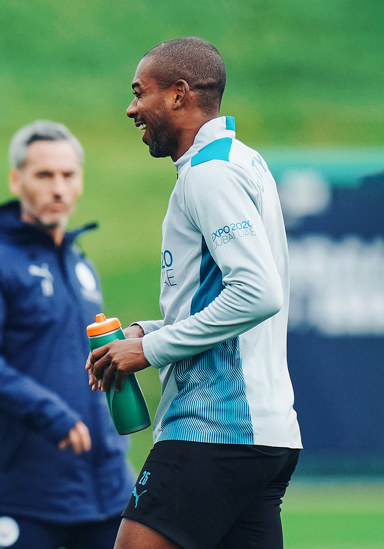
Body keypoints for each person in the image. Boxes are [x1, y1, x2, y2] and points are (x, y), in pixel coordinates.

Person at [86, 37, 301, 549]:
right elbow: (227, 304)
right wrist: (148, 329)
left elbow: (257, 294)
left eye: (141, 93)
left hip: (213, 430)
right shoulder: (242, 161)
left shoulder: (209, 176)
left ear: (179, 94)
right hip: (266, 436)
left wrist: (150, 349)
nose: (131, 108)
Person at [0, 120, 134, 549]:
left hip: (105, 490)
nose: (58, 188)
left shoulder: (81, 265)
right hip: (25, 493)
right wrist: (50, 412)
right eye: (44, 175)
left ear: (81, 180)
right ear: (16, 180)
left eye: (68, 175)